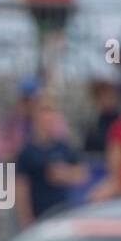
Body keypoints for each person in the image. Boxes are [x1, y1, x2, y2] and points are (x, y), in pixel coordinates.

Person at [16, 95, 89, 225]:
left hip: (63, 214)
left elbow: (83, 175)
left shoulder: (64, 147)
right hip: (39, 217)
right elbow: (21, 189)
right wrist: (26, 219)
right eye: (44, 115)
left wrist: (65, 174)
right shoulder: (27, 152)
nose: (48, 120)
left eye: (51, 116)